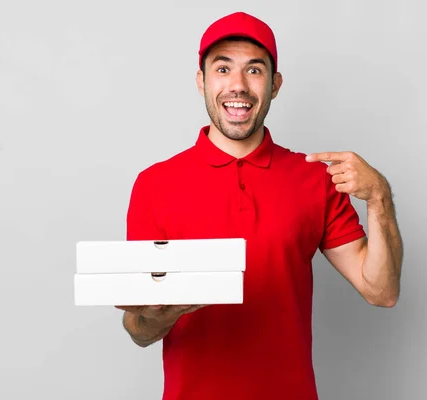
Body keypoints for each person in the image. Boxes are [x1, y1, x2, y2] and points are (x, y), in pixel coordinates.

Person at [115, 11, 403, 400]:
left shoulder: (315, 179)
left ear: (275, 84)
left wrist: (379, 198)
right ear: (201, 81)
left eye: (254, 70)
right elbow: (137, 330)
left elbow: (380, 290)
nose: (238, 86)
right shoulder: (155, 184)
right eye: (222, 68)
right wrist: (161, 317)